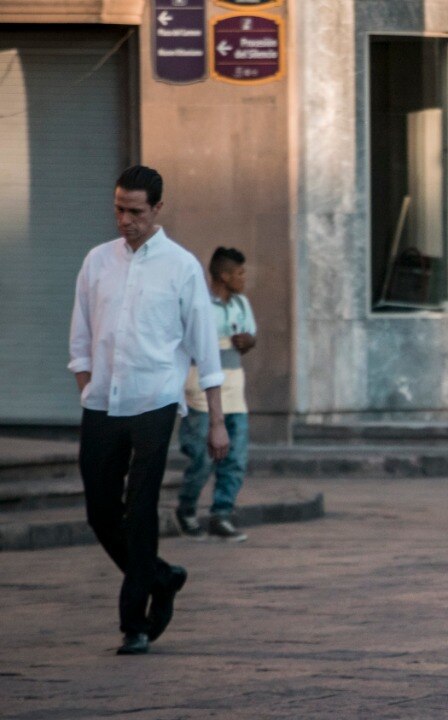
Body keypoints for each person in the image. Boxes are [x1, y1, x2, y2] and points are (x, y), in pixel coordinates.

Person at [68, 165, 228, 655]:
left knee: (139, 511)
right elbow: (81, 337)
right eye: (119, 208)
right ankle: (162, 576)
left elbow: (205, 347)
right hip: (102, 403)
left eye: (135, 211)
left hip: (156, 401)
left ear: (157, 209)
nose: (125, 220)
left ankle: (134, 623)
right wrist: (87, 386)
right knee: (100, 511)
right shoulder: (97, 261)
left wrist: (216, 421)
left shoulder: (181, 267)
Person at [176, 247, 257, 541]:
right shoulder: (199, 304)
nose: (243, 278)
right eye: (239, 273)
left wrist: (247, 341)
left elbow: (250, 339)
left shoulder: (241, 304)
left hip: (235, 394)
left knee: (235, 457)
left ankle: (221, 514)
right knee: (201, 456)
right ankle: (186, 508)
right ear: (223, 275)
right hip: (201, 393)